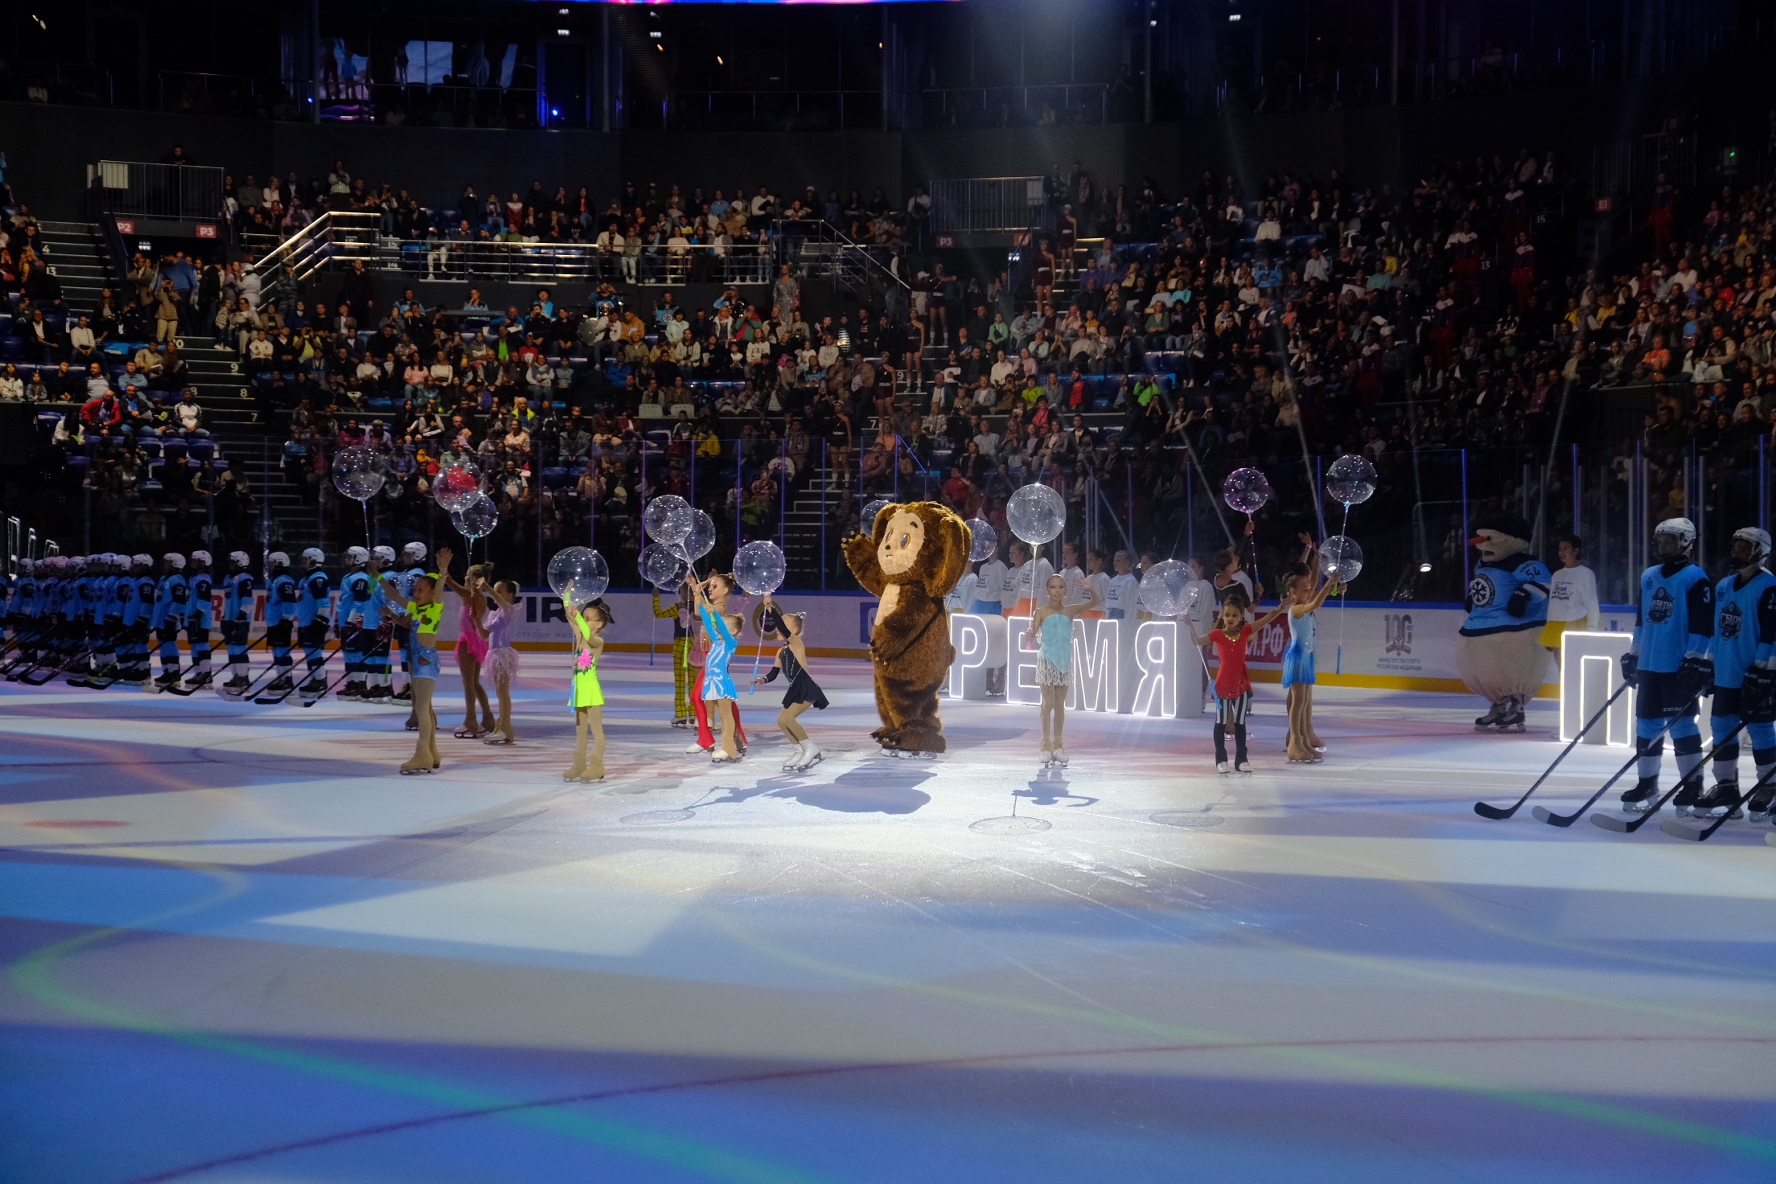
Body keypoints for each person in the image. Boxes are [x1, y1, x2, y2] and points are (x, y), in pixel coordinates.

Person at [1619, 518, 1714, 812]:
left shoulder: (1695, 577)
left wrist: (1695, 659)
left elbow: (1702, 624)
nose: (1663, 545)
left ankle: (1692, 785)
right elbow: (1641, 619)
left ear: (1686, 542)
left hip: (1678, 666)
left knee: (1682, 724)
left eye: (1669, 540)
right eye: (1660, 540)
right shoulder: (1649, 575)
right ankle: (1647, 782)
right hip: (1650, 665)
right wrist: (1634, 653)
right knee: (1646, 724)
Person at [1691, 527, 1776, 819]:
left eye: (1745, 546)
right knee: (1721, 728)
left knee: (1761, 729)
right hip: (1727, 673)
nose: (1737, 550)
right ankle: (1727, 787)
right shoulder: (1724, 585)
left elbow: (1771, 632)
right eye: (1736, 545)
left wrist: (1765, 669)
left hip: (1755, 674)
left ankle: (1770, 787)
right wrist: (1710, 663)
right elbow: (1717, 629)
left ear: (1760, 551)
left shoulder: (1770, 586)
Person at [1186, 588, 1289, 774]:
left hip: (1241, 686)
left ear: (1242, 616)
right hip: (1223, 686)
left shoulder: (1245, 632)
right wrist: (1189, 626)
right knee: (1221, 723)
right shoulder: (1217, 634)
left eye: (1234, 615)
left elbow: (1266, 620)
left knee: (1240, 723)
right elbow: (1196, 641)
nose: (1230, 618)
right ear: (1222, 617)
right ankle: (1221, 759)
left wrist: (1281, 607)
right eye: (1227, 615)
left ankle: (1242, 759)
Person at [1023, 572, 1103, 766]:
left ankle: (1058, 746)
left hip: (1063, 662)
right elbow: (1032, 633)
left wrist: (1089, 588)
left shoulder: (1070, 610)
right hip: (1047, 661)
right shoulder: (1041, 611)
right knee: (1047, 703)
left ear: (1066, 591)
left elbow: (1096, 601)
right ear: (1047, 591)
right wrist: (1029, 635)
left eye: (1060, 587)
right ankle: (1045, 746)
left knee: (1060, 705)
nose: (1057, 590)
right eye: (1053, 587)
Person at [382, 549, 446, 774]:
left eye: (421, 590)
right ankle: (432, 753)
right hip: (420, 662)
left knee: (421, 709)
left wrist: (443, 570)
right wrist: (378, 577)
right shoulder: (416, 610)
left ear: (430, 593)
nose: (416, 593)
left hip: (426, 662)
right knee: (425, 708)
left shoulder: (434, 608)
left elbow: (439, 592)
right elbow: (393, 595)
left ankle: (422, 755)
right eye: (415, 590)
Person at [1279, 547, 1342, 763]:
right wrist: (1328, 584)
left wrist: (1331, 584)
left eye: (1308, 589)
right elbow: (1316, 600)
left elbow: (1314, 594)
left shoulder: (1303, 605)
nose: (1309, 591)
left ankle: (1303, 741)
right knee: (1298, 701)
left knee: (1304, 700)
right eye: (1305, 589)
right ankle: (1295, 742)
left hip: (1305, 657)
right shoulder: (1296, 610)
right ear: (1294, 592)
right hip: (1297, 657)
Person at [753, 597, 829, 771]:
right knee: (781, 720)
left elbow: (780, 625)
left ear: (792, 630)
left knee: (788, 718)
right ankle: (799, 750)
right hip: (795, 688)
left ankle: (811, 748)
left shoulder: (796, 643)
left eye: (783, 626)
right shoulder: (781, 651)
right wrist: (762, 680)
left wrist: (771, 608)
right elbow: (773, 673)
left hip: (806, 687)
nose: (778, 629)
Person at [683, 572, 749, 756]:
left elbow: (699, 613)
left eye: (714, 587)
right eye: (709, 587)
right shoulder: (713, 607)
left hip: (716, 661)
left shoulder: (719, 609)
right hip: (710, 656)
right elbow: (699, 613)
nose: (710, 589)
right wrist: (696, 591)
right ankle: (738, 739)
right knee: (725, 704)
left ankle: (708, 739)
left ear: (725, 590)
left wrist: (698, 594)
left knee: (702, 698)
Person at [438, 555, 493, 737]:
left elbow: (451, 583)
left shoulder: (472, 595)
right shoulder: (478, 597)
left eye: (468, 576)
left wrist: (443, 568)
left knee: (468, 684)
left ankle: (471, 720)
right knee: (474, 683)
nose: (465, 578)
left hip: (469, 642)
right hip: (476, 640)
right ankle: (488, 718)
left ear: (474, 579)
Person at [565, 598, 611, 781]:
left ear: (598, 624)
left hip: (591, 689)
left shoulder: (597, 641)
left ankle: (597, 765)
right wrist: (567, 597)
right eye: (583, 616)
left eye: (588, 617)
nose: (583, 619)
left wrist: (578, 618)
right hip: (577, 690)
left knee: (596, 729)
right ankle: (579, 764)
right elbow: (570, 616)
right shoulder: (580, 636)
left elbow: (584, 629)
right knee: (580, 730)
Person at [1541, 534, 1600, 665]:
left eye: (1566, 548)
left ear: (1576, 550)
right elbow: (1553, 603)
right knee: (1561, 668)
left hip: (1575, 623)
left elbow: (1591, 602)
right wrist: (1549, 628)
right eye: (1560, 548)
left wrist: (1592, 630)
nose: (1561, 552)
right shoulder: (1557, 574)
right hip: (1556, 625)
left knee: (1574, 666)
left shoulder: (1586, 574)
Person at [479, 576, 521, 745]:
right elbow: (484, 634)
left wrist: (487, 587)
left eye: (499, 591)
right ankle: (500, 726)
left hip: (503, 654)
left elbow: (497, 599)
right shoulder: (494, 613)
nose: (494, 594)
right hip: (494, 654)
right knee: (499, 692)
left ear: (509, 596)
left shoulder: (507, 609)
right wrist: (475, 618)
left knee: (503, 693)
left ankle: (506, 727)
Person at [336, 547, 378, 701]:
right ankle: (351, 682)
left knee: (357, 652)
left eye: (350, 557)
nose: (346, 559)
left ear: (358, 559)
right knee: (349, 653)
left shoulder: (360, 578)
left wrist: (351, 620)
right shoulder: (348, 576)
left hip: (354, 622)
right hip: (346, 621)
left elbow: (359, 603)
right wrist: (338, 621)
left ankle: (360, 683)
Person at [652, 582, 693, 727]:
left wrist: (656, 598)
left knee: (680, 680)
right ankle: (694, 712)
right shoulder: (700, 607)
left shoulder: (678, 607)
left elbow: (658, 614)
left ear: (684, 592)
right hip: (696, 645)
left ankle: (681, 713)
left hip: (681, 644)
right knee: (694, 680)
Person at [295, 548, 333, 697]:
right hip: (306, 622)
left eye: (305, 559)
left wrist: (319, 620)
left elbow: (323, 604)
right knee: (309, 652)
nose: (302, 562)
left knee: (314, 651)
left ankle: (320, 680)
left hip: (314, 622)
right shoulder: (305, 579)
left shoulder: (318, 578)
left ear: (313, 560)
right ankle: (314, 679)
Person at [972, 542, 1008, 694]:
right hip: (981, 606)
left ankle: (1000, 679)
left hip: (994, 606)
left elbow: (1003, 590)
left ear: (997, 549)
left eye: (991, 547)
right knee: (983, 644)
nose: (987, 550)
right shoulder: (983, 567)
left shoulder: (1001, 567)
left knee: (997, 643)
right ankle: (986, 679)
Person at [219, 551, 256, 694]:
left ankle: (243, 677)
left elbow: (247, 599)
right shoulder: (228, 578)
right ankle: (236, 676)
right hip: (229, 619)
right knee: (231, 648)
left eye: (233, 562)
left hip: (240, 619)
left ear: (241, 563)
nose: (230, 565)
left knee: (240, 648)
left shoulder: (244, 578)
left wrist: (242, 614)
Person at [150, 553, 188, 689]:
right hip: (161, 620)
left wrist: (172, 616)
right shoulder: (163, 579)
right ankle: (167, 671)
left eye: (168, 563)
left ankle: (174, 673)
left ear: (176, 565)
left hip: (170, 619)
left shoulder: (177, 580)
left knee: (170, 645)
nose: (165, 565)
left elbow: (179, 601)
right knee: (163, 645)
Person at [184, 550, 215, 688]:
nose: (192, 562)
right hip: (193, 617)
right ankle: (198, 673)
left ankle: (206, 674)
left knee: (202, 645)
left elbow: (204, 597)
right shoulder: (194, 578)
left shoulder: (203, 579)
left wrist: (199, 613)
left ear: (203, 563)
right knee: (195, 646)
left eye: (196, 560)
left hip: (200, 618)